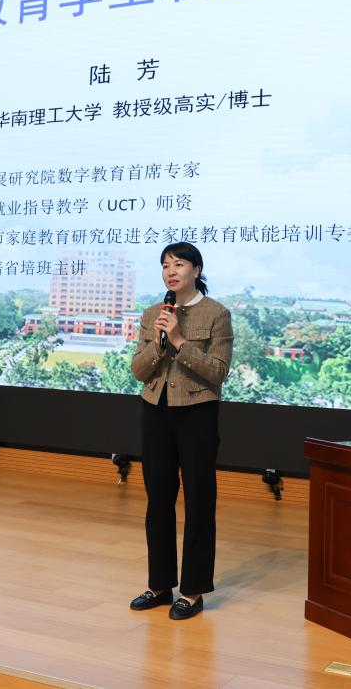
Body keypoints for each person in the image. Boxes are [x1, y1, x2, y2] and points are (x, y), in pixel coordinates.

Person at [128, 242, 233, 620]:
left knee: (199, 501)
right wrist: (159, 345)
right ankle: (159, 585)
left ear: (196, 270)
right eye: (165, 266)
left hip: (197, 413)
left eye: (179, 264)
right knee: (158, 499)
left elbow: (218, 371)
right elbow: (138, 370)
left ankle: (193, 591)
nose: (171, 272)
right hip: (155, 410)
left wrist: (178, 341)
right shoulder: (153, 314)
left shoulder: (217, 314)